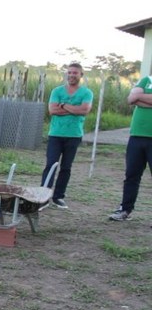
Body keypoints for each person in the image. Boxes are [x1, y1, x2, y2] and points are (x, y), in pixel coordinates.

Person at [41, 63, 93, 209]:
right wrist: (73, 109)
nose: (71, 75)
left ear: (81, 75)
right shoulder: (57, 91)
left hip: (74, 135)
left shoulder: (86, 93)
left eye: (75, 73)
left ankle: (58, 196)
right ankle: (43, 196)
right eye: (69, 72)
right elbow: (52, 110)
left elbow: (84, 110)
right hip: (56, 134)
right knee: (51, 165)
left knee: (66, 167)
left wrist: (63, 105)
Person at [108, 74, 152, 222]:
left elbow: (136, 99)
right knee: (132, 175)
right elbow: (131, 99)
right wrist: (139, 98)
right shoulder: (147, 80)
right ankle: (125, 209)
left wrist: (140, 98)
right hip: (136, 136)